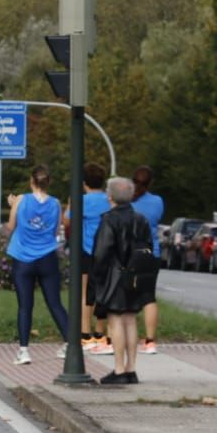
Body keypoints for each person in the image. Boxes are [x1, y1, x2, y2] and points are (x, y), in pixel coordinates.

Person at [92, 177, 157, 385]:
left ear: (109, 196)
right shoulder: (141, 219)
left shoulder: (109, 220)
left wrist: (97, 277)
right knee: (130, 319)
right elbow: (148, 248)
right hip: (136, 274)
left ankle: (119, 370)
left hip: (115, 275)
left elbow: (102, 252)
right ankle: (131, 369)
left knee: (116, 320)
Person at [4, 165, 69, 365]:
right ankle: (70, 344)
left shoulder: (21, 200)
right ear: (48, 183)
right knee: (55, 303)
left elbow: (10, 227)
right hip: (47, 258)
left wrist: (12, 205)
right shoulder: (56, 203)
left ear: (31, 181)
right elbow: (54, 231)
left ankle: (24, 351)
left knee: (25, 306)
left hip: (23, 259)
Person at [64, 163, 112, 356]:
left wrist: (70, 202)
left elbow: (66, 221)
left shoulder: (81, 201)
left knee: (86, 293)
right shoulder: (110, 200)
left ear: (83, 183)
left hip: (87, 251)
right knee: (105, 291)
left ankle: (85, 334)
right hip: (108, 251)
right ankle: (101, 333)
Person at [130, 165, 165, 355]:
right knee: (149, 297)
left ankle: (128, 339)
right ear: (150, 182)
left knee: (127, 297)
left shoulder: (127, 201)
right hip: (152, 253)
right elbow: (157, 219)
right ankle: (150, 341)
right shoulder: (158, 201)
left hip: (129, 255)